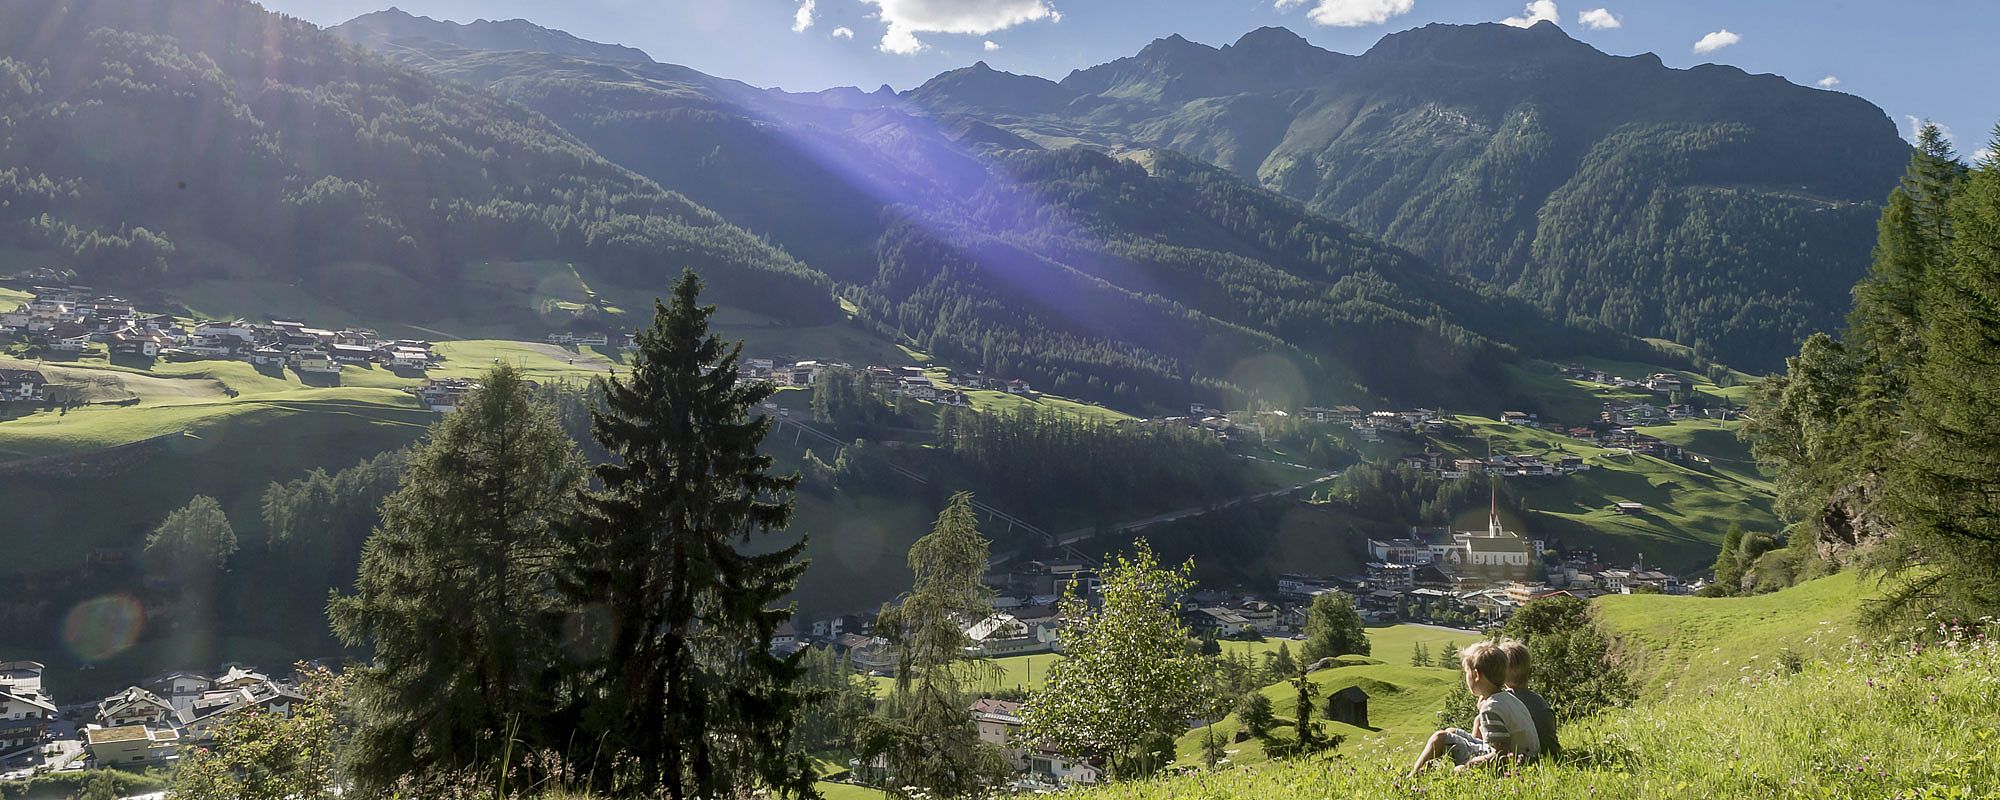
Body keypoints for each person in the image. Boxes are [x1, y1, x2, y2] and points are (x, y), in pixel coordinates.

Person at [1406, 640, 1539, 777]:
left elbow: (1501, 755)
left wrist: (1468, 766)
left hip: (1518, 763)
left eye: (1466, 672)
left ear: (1476, 675)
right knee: (1450, 731)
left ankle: (1412, 778)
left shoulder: (1491, 708)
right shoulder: (1509, 699)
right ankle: (1433, 771)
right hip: (1528, 757)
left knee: (1439, 737)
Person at [1499, 638, 1561, 761]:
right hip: (1549, 755)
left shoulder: (1502, 703)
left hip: (1518, 758)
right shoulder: (1540, 702)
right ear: (1529, 671)